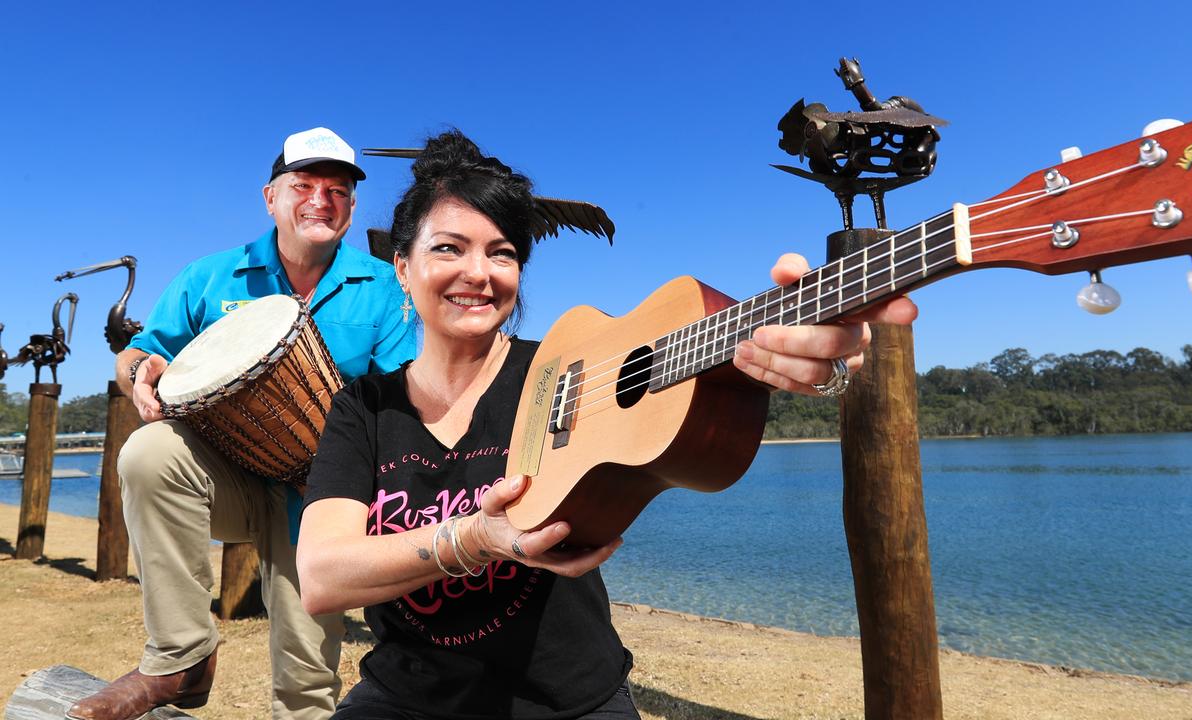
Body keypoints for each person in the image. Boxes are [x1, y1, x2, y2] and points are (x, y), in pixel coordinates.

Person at [297, 130, 918, 719]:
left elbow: (712, 363)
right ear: (401, 267)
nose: (479, 273)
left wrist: (813, 365)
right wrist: (477, 540)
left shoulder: (562, 370)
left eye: (503, 253)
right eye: (448, 248)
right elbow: (323, 577)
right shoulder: (366, 407)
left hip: (569, 700)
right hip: (404, 700)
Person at [67, 128, 417, 720]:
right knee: (148, 452)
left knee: (306, 678)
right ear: (270, 198)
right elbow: (138, 352)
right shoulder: (209, 276)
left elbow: (403, 398)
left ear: (353, 208)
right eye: (302, 186)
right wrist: (140, 372)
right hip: (223, 475)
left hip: (321, 495)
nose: (320, 201)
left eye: (337, 191)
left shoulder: (387, 287)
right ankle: (182, 655)